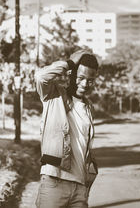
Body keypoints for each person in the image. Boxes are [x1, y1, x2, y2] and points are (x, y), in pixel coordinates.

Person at [35, 49, 99, 208]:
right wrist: (69, 63)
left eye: (90, 80)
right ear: (71, 75)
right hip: (54, 182)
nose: (85, 84)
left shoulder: (89, 108)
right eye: (81, 78)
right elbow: (40, 76)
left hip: (80, 188)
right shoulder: (53, 95)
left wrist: (88, 178)